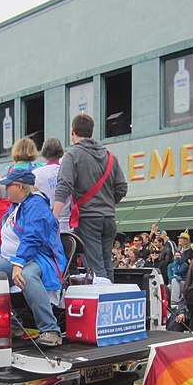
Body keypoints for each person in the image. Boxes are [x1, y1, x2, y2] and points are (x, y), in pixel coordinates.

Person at [0, 168, 67, 348]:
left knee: (27, 276)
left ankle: (51, 330)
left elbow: (33, 236)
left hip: (42, 257)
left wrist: (19, 263)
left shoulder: (36, 205)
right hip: (15, 258)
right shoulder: (18, 205)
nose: (5, 190)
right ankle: (12, 324)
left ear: (19, 186)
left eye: (8, 186)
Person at [53, 113, 127, 281]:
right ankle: (113, 298)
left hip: (88, 218)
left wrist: (54, 217)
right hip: (109, 217)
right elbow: (122, 187)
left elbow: (63, 186)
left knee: (96, 266)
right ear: (91, 132)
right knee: (107, 263)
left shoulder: (72, 156)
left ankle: (103, 303)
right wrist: (108, 203)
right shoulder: (110, 156)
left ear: (72, 132)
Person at [167, 232, 191, 304]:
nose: (179, 240)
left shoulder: (189, 252)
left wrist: (177, 262)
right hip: (174, 282)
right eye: (179, 238)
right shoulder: (171, 265)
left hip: (183, 282)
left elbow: (177, 272)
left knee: (175, 281)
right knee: (169, 285)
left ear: (186, 240)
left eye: (181, 238)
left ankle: (175, 300)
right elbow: (170, 276)